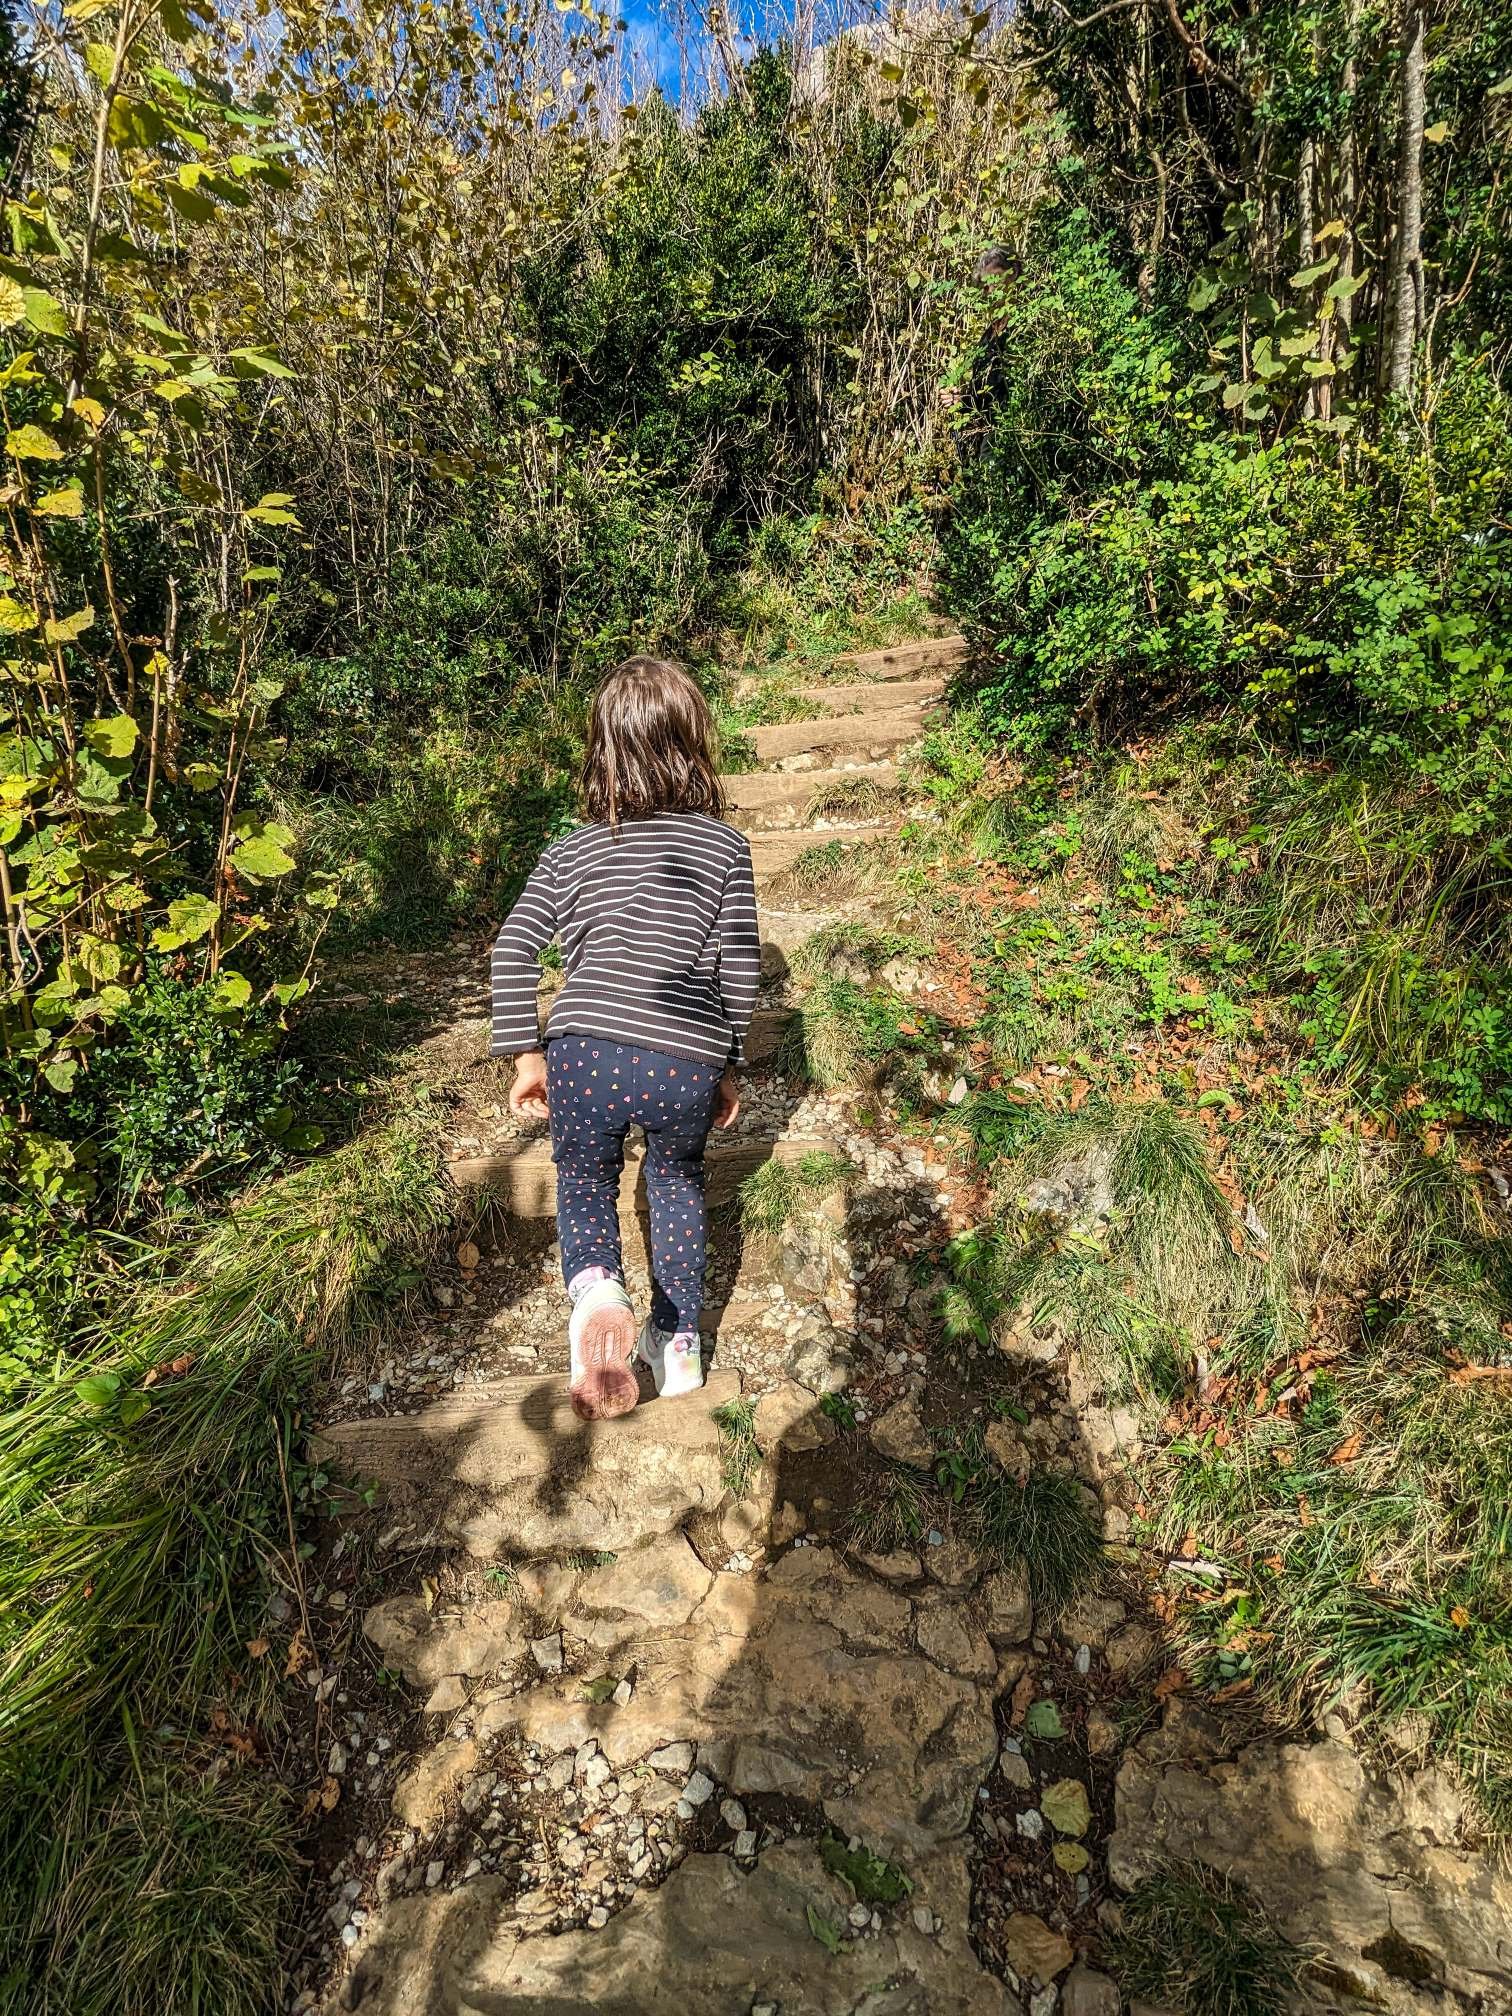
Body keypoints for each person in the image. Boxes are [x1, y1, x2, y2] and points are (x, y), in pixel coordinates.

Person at [490, 656, 760, 1422]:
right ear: (692, 743)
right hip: (683, 1056)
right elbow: (737, 964)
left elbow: (512, 951)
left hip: (584, 1048)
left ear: (602, 751)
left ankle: (598, 1291)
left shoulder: (569, 850)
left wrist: (526, 1053)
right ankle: (675, 1346)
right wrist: (729, 1062)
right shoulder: (723, 846)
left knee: (582, 1181)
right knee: (674, 1181)